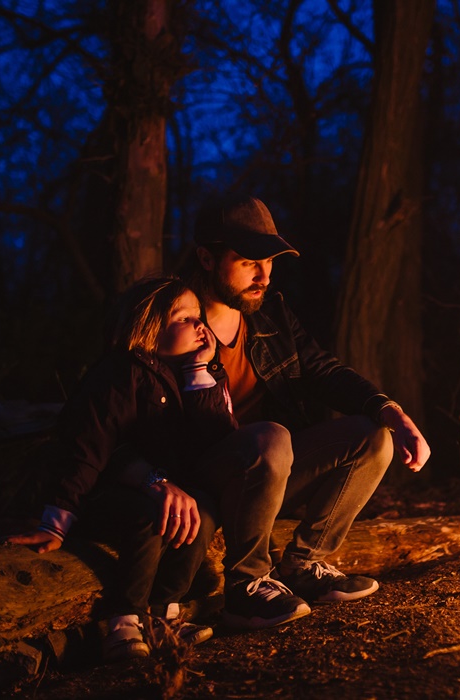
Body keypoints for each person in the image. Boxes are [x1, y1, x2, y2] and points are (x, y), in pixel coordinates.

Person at [180, 193, 431, 628]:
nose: (263, 275)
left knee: (373, 436)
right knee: (271, 437)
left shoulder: (270, 313)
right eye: (247, 262)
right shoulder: (173, 319)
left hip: (271, 473)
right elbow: (137, 410)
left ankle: (302, 563)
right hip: (205, 476)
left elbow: (323, 370)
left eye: (270, 261)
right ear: (206, 257)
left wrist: (394, 413)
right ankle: (246, 586)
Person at [6, 276, 250, 660]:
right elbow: (87, 448)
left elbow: (218, 445)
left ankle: (164, 613)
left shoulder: (203, 375)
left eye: (200, 317)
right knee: (151, 515)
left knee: (201, 511)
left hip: (172, 493)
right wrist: (54, 523)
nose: (200, 325)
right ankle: (124, 618)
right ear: (150, 326)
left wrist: (198, 377)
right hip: (103, 495)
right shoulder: (122, 372)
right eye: (185, 318)